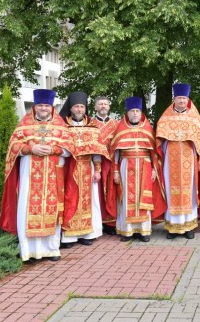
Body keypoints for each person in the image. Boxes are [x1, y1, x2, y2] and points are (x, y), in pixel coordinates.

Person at [0, 89, 74, 262]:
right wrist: (30, 148)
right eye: (40, 105)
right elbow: (13, 146)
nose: (43, 108)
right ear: (35, 106)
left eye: (46, 105)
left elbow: (71, 149)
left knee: (53, 209)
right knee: (27, 208)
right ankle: (28, 251)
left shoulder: (60, 124)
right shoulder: (25, 123)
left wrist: (54, 149)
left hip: (54, 175)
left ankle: (52, 249)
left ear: (51, 106)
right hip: (29, 175)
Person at [108, 96, 167, 242]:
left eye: (137, 111)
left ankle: (143, 231)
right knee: (126, 198)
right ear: (127, 113)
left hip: (145, 167)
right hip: (125, 166)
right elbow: (115, 153)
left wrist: (154, 169)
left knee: (143, 198)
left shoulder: (147, 128)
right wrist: (115, 171)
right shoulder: (120, 129)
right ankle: (127, 232)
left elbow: (154, 152)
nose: (135, 113)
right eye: (132, 111)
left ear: (141, 113)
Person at [156, 83, 200, 240]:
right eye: (179, 98)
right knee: (172, 192)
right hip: (170, 159)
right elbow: (159, 138)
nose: (182, 101)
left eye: (184, 98)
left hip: (188, 160)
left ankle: (188, 227)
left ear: (188, 99)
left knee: (189, 191)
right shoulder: (166, 118)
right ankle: (172, 228)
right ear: (174, 99)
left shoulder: (194, 118)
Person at [59, 91, 109, 248]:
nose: (79, 109)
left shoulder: (92, 127)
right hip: (69, 169)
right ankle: (68, 237)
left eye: (82, 106)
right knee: (68, 199)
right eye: (76, 107)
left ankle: (87, 234)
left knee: (88, 201)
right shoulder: (63, 125)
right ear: (71, 108)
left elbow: (97, 151)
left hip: (88, 167)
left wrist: (98, 170)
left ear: (85, 108)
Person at [92, 96, 119, 235]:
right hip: (95, 162)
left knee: (111, 192)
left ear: (109, 107)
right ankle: (97, 221)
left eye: (105, 104)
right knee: (97, 193)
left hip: (112, 162)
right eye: (100, 104)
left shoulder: (116, 124)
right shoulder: (90, 124)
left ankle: (110, 223)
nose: (103, 106)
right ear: (95, 107)